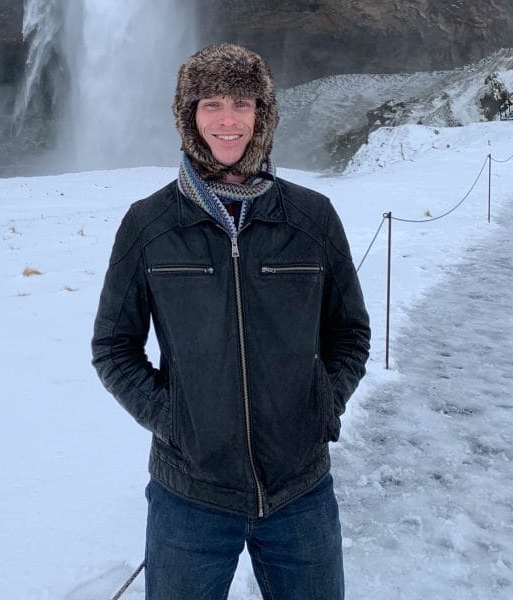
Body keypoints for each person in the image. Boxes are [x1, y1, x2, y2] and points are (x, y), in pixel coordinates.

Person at [91, 43, 371, 600]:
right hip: (188, 494)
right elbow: (113, 348)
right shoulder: (149, 225)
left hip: (300, 491)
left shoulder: (311, 217)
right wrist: (173, 419)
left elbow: (350, 333)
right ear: (188, 115)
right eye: (211, 103)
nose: (227, 120)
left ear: (262, 114)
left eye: (242, 103)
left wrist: (323, 403)